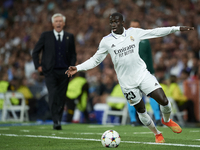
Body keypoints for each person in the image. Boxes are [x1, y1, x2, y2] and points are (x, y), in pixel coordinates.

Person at [65, 12, 194, 143]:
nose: (113, 24)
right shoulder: (106, 41)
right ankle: (157, 133)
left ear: (122, 22)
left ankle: (166, 121)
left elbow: (155, 32)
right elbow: (95, 60)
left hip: (142, 75)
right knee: (141, 110)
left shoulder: (134, 32)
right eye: (111, 22)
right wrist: (78, 67)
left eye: (116, 21)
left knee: (164, 100)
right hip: (127, 83)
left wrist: (176, 28)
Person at [32, 13, 76, 130]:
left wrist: (72, 66)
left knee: (61, 96)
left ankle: (58, 119)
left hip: (65, 72)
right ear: (52, 23)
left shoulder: (69, 36)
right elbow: (35, 51)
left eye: (60, 21)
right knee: (53, 94)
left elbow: (73, 54)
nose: (58, 23)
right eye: (56, 21)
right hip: (50, 71)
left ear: (64, 23)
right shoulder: (45, 36)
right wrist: (38, 66)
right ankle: (55, 120)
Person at [128, 19, 162, 126]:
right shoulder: (124, 41)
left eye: (136, 27)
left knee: (152, 94)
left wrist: (152, 72)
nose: (134, 29)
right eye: (132, 27)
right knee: (133, 96)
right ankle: (133, 120)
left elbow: (149, 57)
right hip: (131, 73)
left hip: (145, 72)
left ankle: (157, 118)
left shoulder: (144, 40)